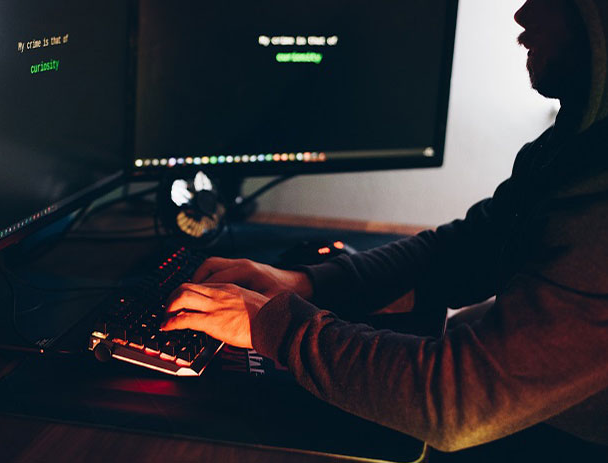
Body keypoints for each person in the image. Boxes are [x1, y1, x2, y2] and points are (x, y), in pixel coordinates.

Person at [162, 0, 608, 455]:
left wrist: (266, 323)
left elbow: (456, 403)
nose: (522, 14)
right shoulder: (577, 142)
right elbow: (468, 250)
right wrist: (302, 284)